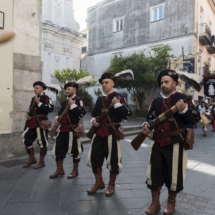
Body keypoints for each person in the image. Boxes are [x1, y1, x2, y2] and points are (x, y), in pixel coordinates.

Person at [143, 69, 195, 215]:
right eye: (161, 82)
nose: (163, 85)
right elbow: (149, 117)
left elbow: (194, 120)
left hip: (175, 142)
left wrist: (184, 109)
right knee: (154, 173)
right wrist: (146, 125)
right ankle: (155, 203)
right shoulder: (156, 101)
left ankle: (171, 203)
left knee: (174, 175)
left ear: (175, 83)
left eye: (166, 82)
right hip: (157, 141)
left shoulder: (183, 98)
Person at [87, 72, 132, 197]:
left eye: (106, 82)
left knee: (113, 160)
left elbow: (127, 114)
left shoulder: (118, 97)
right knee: (94, 158)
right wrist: (93, 121)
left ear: (113, 83)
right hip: (98, 132)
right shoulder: (100, 99)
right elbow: (94, 113)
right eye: (102, 83)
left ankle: (111, 185)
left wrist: (117, 104)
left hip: (111, 133)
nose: (104, 85)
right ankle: (99, 182)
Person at [50, 82, 86, 179]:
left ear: (74, 90)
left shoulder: (78, 101)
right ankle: (60, 170)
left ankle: (75, 170)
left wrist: (74, 105)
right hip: (62, 130)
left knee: (75, 151)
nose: (66, 91)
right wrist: (57, 118)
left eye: (68, 89)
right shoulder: (64, 102)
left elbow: (81, 114)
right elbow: (61, 113)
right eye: (66, 89)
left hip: (72, 130)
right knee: (58, 150)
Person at [22, 81, 54, 169]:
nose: (35, 90)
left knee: (42, 142)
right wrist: (29, 115)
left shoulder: (46, 98)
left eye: (37, 88)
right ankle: (32, 159)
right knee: (27, 140)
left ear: (42, 89)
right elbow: (31, 110)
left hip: (42, 122)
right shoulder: (33, 98)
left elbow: (50, 109)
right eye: (34, 88)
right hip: (32, 122)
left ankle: (41, 161)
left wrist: (39, 103)